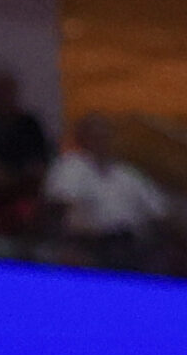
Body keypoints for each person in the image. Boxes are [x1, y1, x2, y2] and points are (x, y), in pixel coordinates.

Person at [42, 114, 171, 266]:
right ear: (82, 139)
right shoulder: (70, 167)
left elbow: (160, 212)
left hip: (131, 246)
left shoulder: (128, 173)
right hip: (88, 246)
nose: (102, 141)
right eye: (95, 136)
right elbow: (58, 208)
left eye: (106, 136)